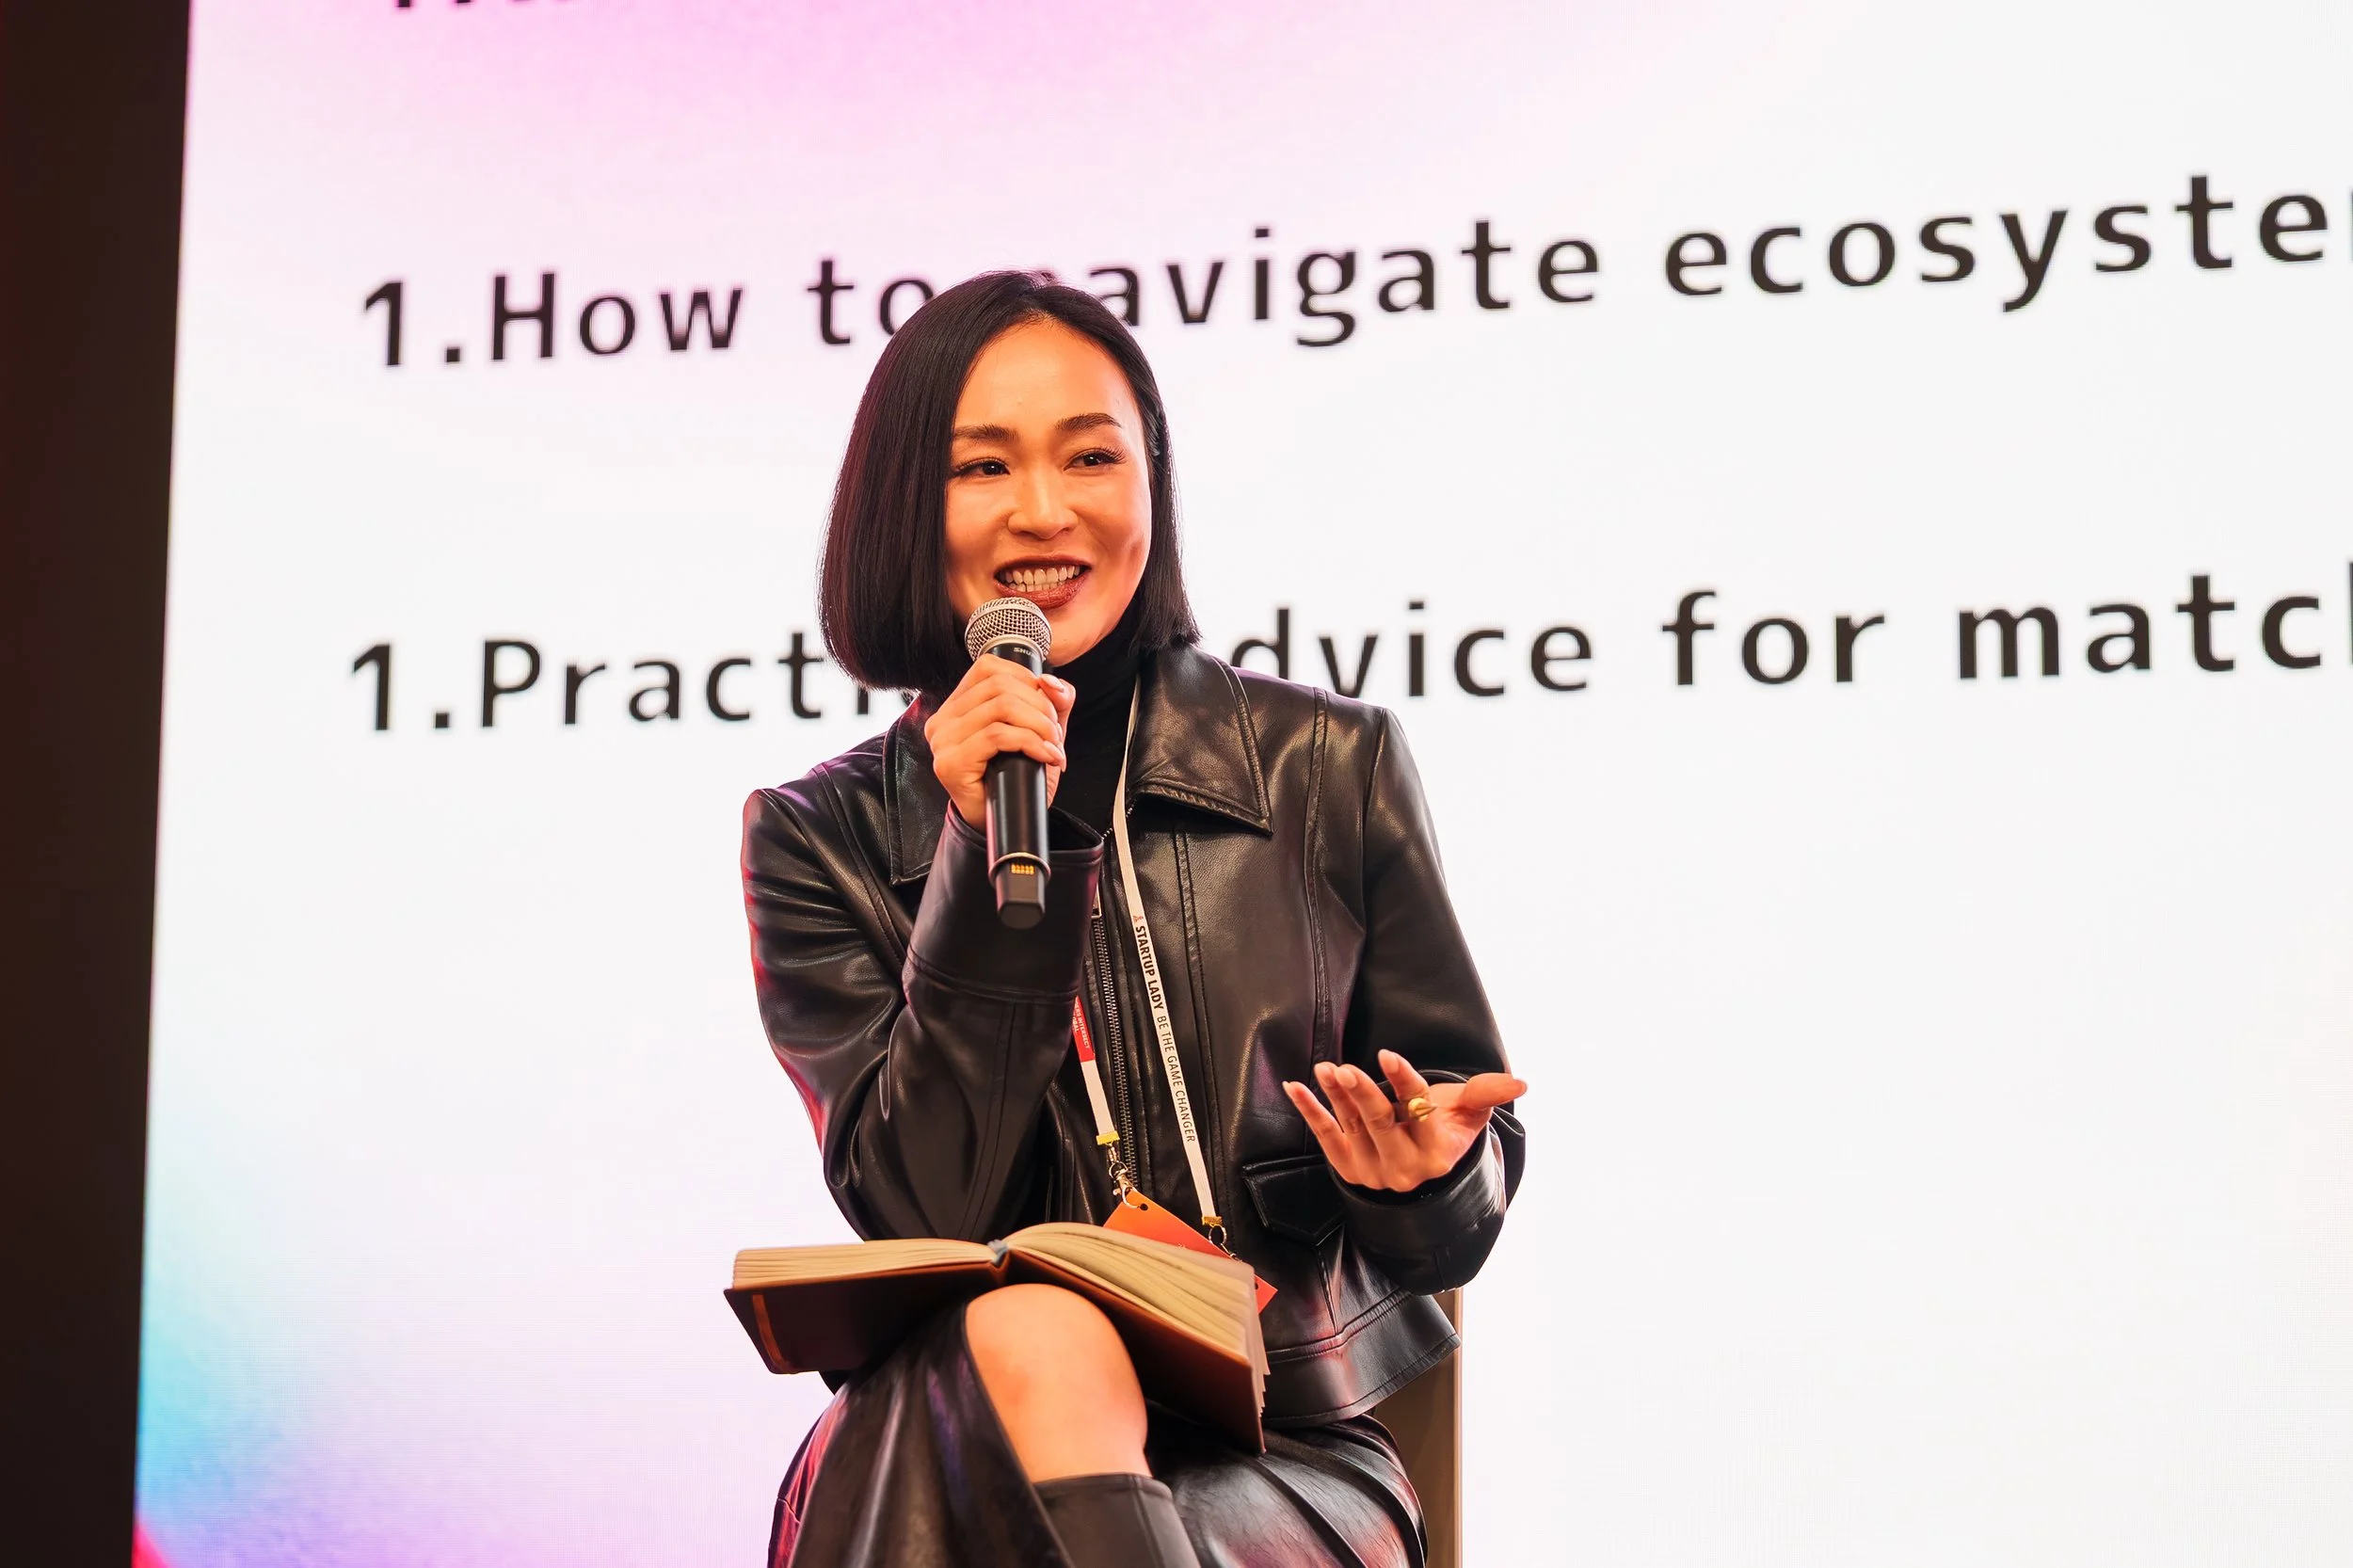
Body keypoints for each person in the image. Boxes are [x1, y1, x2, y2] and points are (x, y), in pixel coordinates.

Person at [741, 270, 1528, 1568]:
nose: (1044, 511)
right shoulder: (819, 836)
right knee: (1029, 1334)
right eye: (982, 466)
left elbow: (1460, 1206)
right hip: (945, 1427)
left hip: (1275, 1445)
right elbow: (923, 1204)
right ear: (904, 508)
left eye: (1091, 456)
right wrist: (979, 857)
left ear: (1151, 485)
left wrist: (1428, 1173)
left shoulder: (1326, 768)